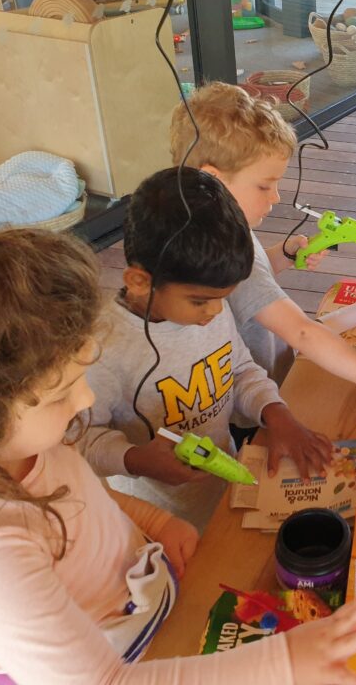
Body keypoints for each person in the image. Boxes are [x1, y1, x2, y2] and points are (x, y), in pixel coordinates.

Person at [0, 228, 356, 685]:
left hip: (144, 611)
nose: (87, 400)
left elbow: (84, 494)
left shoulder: (29, 442)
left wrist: (154, 519)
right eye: (62, 392)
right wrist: (285, 666)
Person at [80, 168, 332, 530]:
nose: (215, 312)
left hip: (222, 501)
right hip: (157, 525)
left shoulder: (208, 307)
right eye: (200, 301)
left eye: (223, 299)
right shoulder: (103, 349)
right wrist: (135, 459)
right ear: (139, 282)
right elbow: (82, 441)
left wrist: (277, 413)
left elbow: (240, 369)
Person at [169, 82, 356, 413]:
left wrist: (282, 254)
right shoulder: (222, 250)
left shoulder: (210, 228)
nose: (276, 197)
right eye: (265, 185)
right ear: (212, 180)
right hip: (255, 401)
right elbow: (301, 332)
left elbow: (247, 284)